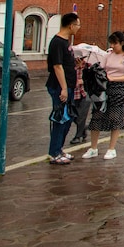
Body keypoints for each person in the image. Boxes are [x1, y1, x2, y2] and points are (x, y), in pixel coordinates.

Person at [83, 32, 124, 160]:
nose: (112, 46)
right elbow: (101, 69)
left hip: (118, 89)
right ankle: (93, 147)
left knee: (115, 117)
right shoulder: (108, 55)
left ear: (122, 43)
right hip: (104, 88)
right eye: (111, 43)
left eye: (115, 43)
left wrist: (114, 78)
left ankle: (111, 148)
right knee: (97, 116)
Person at [46, 13, 81, 165]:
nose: (78, 28)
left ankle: (59, 149)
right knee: (61, 119)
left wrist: (76, 66)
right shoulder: (57, 42)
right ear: (71, 25)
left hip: (69, 86)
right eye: (77, 25)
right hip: (59, 87)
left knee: (69, 118)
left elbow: (65, 65)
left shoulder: (66, 43)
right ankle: (54, 152)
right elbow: (57, 66)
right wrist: (64, 88)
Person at [69, 56, 90, 145]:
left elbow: (93, 79)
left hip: (85, 94)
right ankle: (83, 128)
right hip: (73, 94)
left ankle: (78, 136)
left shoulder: (88, 67)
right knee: (72, 115)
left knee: (81, 116)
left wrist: (83, 81)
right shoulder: (70, 66)